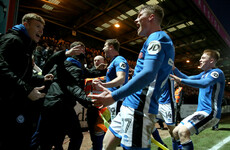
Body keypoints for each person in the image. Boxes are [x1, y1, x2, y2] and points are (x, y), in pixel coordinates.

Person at [89, 4, 175, 150]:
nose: (135, 20)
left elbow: (148, 74)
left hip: (139, 109)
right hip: (130, 105)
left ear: (151, 17)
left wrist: (114, 96)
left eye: (139, 15)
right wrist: (115, 93)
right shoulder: (156, 39)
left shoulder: (157, 38)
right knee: (107, 144)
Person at [0, 13, 54, 150]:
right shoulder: (12, 40)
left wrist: (41, 78)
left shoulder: (25, 45)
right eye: (37, 26)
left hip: (14, 103)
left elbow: (21, 75)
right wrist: (27, 90)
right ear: (26, 25)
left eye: (42, 28)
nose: (41, 32)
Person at [38, 41, 96, 150]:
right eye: (80, 49)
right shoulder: (74, 67)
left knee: (51, 140)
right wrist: (89, 101)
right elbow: (72, 86)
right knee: (76, 136)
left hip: (49, 104)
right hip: (61, 105)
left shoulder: (59, 63)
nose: (83, 52)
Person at [171, 49, 225, 150]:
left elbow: (204, 84)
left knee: (183, 131)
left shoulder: (217, 73)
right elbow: (186, 77)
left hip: (210, 112)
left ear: (211, 61)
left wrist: (181, 80)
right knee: (175, 132)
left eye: (203, 58)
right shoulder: (202, 74)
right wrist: (174, 68)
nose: (200, 60)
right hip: (200, 112)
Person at [91, 39, 129, 150]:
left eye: (105, 46)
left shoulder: (119, 60)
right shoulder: (113, 61)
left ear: (111, 47)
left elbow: (121, 79)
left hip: (117, 100)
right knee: (101, 126)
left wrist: (104, 85)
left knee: (117, 134)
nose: (103, 48)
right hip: (112, 100)